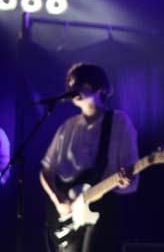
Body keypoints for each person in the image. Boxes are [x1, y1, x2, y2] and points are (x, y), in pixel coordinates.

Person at [40, 63, 139, 252]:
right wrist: (57, 198)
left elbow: (129, 171)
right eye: (70, 84)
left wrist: (126, 179)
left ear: (99, 86)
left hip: (104, 211)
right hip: (68, 213)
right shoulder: (67, 127)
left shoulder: (119, 122)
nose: (72, 88)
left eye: (79, 83)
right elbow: (46, 169)